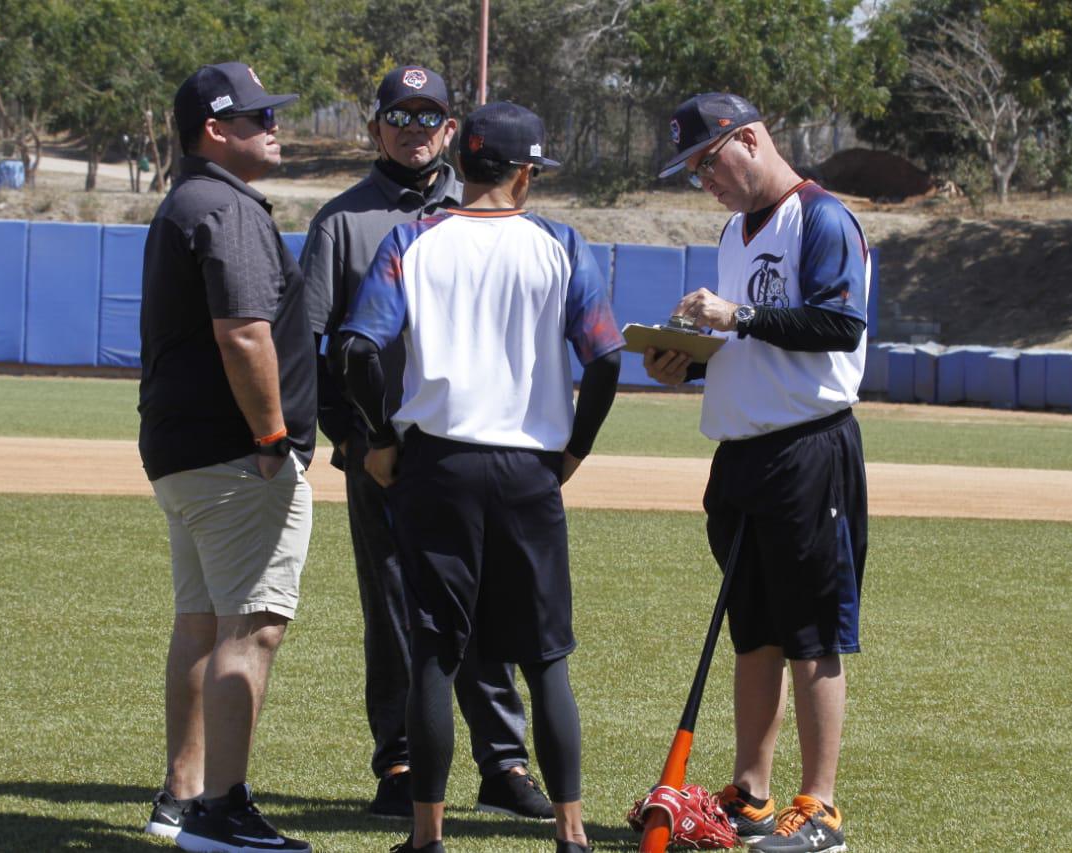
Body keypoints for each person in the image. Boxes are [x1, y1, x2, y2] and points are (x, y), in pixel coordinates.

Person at [340, 101, 623, 853]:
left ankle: (427, 836)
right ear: (525, 173)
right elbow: (605, 357)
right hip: (531, 467)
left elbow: (360, 350)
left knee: (436, 651)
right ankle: (571, 833)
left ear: (460, 165)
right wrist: (575, 451)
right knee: (546, 656)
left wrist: (376, 441)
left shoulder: (413, 237)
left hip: (438, 463)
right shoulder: (560, 243)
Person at [300, 66, 552, 821]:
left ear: (451, 132)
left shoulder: (484, 214)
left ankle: (502, 761)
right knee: (395, 609)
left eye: (429, 117)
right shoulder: (342, 222)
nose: (414, 129)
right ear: (374, 127)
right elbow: (311, 348)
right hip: (382, 450)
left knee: (487, 604)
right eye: (398, 116)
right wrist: (354, 440)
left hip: (476, 445)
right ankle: (401, 758)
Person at [644, 92, 870, 853]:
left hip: (809, 450)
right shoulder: (733, 232)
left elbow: (840, 326)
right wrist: (687, 363)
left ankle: (822, 808)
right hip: (743, 454)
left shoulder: (823, 217)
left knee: (812, 631)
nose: (703, 178)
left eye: (707, 161)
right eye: (693, 169)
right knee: (755, 631)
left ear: (748, 141)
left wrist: (735, 318)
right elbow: (757, 347)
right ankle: (752, 793)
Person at [138, 61, 315, 853]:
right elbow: (242, 332)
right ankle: (222, 809)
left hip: (183, 452)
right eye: (256, 117)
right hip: (235, 455)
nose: (272, 126)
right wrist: (273, 437)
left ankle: (181, 797)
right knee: (254, 627)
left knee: (202, 625)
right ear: (215, 130)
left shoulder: (187, 200)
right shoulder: (224, 204)